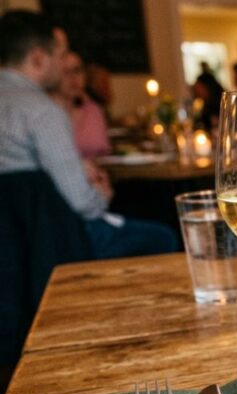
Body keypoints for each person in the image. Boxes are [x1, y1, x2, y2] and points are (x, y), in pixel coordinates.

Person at [0, 11, 177, 259]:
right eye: (59, 56)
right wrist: (102, 195)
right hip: (56, 242)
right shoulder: (42, 112)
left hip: (14, 252)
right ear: (38, 59)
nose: (63, 66)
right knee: (163, 237)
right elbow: (83, 204)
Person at [51, 50, 110, 159]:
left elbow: (103, 154)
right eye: (65, 72)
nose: (73, 77)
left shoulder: (93, 110)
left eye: (77, 70)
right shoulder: (43, 115)